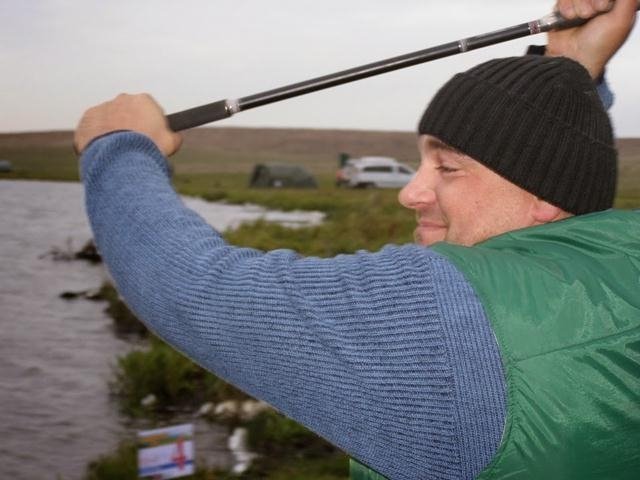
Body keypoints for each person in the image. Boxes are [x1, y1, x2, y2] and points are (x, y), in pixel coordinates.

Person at [74, 1, 638, 479]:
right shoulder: (624, 258)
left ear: (543, 194)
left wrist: (118, 147)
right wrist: (570, 70)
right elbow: (558, 175)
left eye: (447, 167)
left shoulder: (447, 323)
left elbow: (196, 290)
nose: (410, 192)